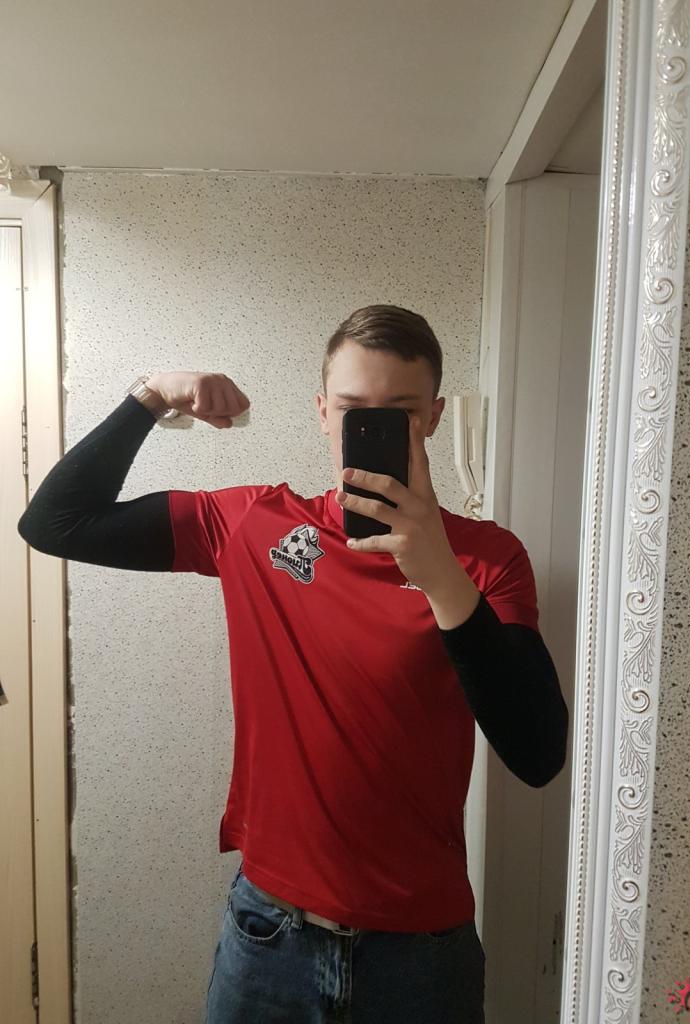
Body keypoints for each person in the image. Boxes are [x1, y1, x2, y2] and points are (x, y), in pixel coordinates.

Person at [17, 303, 568, 1024]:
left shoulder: (489, 559)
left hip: (422, 953)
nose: (373, 428)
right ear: (322, 413)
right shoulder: (254, 525)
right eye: (354, 410)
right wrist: (153, 395)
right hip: (269, 937)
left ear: (433, 419)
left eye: (401, 413)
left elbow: (537, 754)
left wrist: (440, 574)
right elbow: (55, 523)